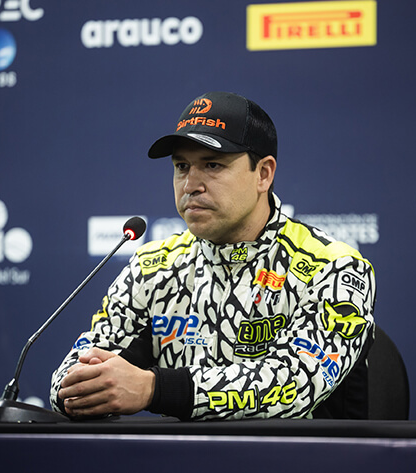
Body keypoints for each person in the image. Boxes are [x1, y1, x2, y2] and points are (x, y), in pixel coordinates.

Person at [50, 91, 376, 420]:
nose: (191, 184)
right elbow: (70, 376)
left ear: (264, 174)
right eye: (181, 166)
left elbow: (293, 385)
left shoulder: (334, 268)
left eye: (212, 165)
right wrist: (80, 390)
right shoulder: (153, 268)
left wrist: (153, 389)